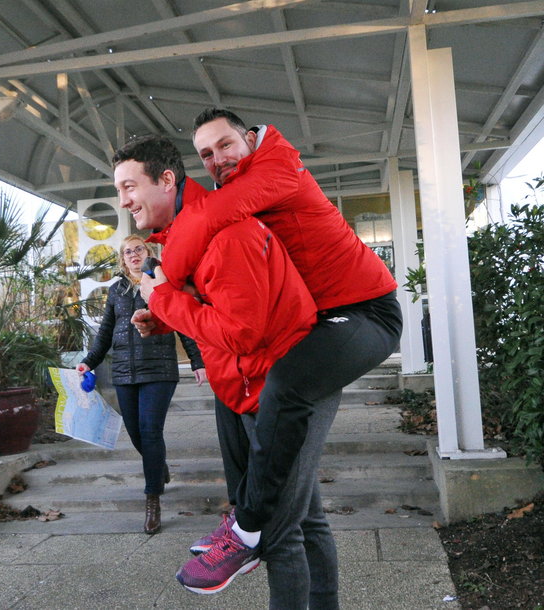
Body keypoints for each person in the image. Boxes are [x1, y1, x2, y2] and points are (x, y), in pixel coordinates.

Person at [156, 108, 404, 599]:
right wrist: (165, 301)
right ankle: (243, 517)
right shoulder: (242, 190)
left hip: (366, 313)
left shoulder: (277, 168)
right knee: (240, 412)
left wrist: (165, 287)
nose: (218, 159)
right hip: (318, 320)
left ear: (249, 138)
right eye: (206, 154)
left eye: (225, 145)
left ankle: (245, 529)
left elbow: (204, 218)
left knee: (286, 385)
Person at [114, 134, 341, 608]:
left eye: (130, 186)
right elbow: (219, 307)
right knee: (306, 517)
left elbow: (242, 332)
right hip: (250, 388)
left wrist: (164, 300)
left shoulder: (222, 233)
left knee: (277, 530)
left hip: (277, 390)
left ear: (167, 180)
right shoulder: (183, 236)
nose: (124, 200)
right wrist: (166, 316)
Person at [76, 234, 206, 535]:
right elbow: (105, 334)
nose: (134, 255)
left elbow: (182, 322)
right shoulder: (117, 290)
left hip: (159, 368)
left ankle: (152, 500)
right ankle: (158, 467)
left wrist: (198, 361)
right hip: (123, 371)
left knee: (150, 430)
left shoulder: (161, 283)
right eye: (128, 252)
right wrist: (88, 362)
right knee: (136, 433)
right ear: (123, 259)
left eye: (139, 249)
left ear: (148, 253)